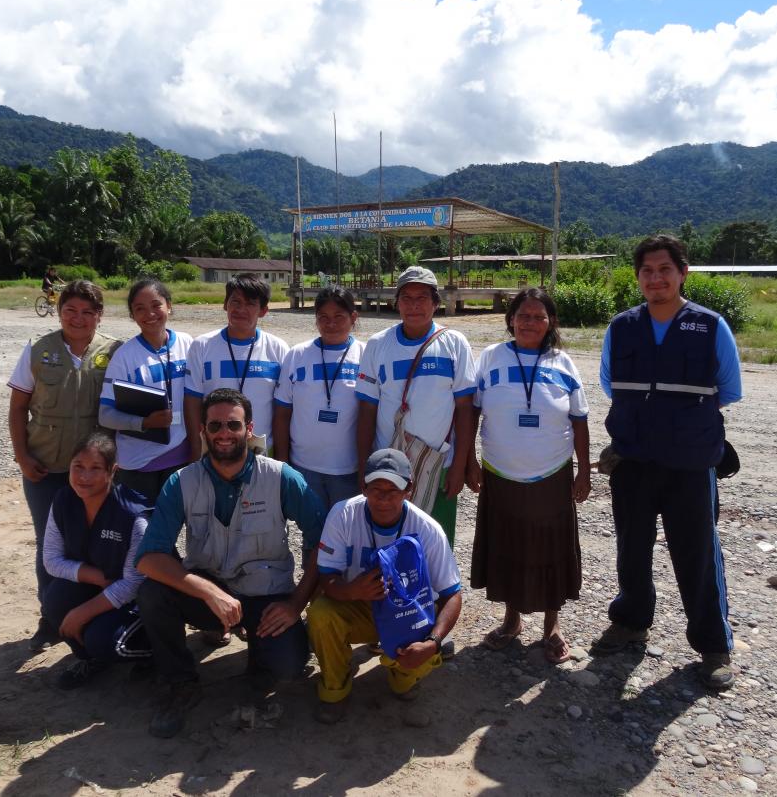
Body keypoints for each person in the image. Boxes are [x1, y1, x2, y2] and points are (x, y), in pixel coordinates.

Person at [591, 235, 743, 691]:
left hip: (690, 464)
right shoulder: (621, 327)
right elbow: (608, 384)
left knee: (696, 554)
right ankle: (632, 622)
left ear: (683, 273)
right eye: (646, 271)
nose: (655, 278)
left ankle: (713, 646)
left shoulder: (711, 325)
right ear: (637, 277)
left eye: (664, 269)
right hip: (633, 460)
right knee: (631, 547)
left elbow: (729, 390)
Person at [135, 388, 326, 738]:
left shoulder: (283, 478)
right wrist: (207, 591)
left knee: (288, 665)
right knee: (152, 593)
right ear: (203, 431)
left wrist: (295, 603)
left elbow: (323, 544)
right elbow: (149, 558)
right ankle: (179, 682)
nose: (224, 433)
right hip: (212, 593)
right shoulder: (182, 482)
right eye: (216, 425)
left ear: (248, 429)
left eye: (233, 425)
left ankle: (261, 665)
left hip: (266, 596)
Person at [469, 288, 591, 664]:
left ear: (550, 322)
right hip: (500, 475)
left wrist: (584, 470)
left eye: (539, 316)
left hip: (551, 475)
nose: (530, 322)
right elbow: (471, 413)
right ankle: (511, 621)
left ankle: (552, 626)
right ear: (510, 320)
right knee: (508, 547)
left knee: (551, 550)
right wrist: (470, 461)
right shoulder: (490, 358)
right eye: (523, 315)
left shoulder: (564, 363)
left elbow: (580, 421)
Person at [307, 448, 463, 724]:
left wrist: (433, 642)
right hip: (359, 607)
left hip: (407, 617)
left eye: (393, 491)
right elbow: (326, 577)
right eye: (376, 489)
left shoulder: (427, 529)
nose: (383, 499)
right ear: (363, 488)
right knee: (320, 614)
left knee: (424, 647)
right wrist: (352, 591)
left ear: (409, 491)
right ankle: (335, 687)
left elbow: (452, 594)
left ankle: (403, 676)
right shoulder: (343, 515)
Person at [7, 280, 120, 653]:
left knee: (95, 544)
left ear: (99, 315)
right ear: (59, 312)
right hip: (46, 468)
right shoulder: (38, 351)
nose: (79, 318)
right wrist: (22, 457)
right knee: (49, 545)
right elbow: (18, 408)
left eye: (88, 311)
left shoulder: (114, 352)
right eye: (71, 310)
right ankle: (50, 618)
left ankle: (95, 614)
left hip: (95, 472)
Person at [356, 265, 477, 546]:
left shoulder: (454, 343)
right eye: (406, 298)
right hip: (387, 466)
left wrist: (460, 466)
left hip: (438, 463)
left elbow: (465, 409)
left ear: (436, 302)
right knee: (387, 541)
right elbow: (366, 411)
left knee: (436, 539)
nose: (414, 305)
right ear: (395, 302)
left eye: (422, 298)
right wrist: (364, 465)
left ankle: (437, 590)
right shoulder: (377, 345)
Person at [41, 431, 151, 689]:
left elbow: (134, 583)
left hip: (138, 598)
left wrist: (82, 613)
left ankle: (156, 651)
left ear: (113, 471)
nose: (84, 477)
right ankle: (90, 659)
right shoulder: (63, 500)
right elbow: (51, 559)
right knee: (54, 602)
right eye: (78, 467)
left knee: (104, 640)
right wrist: (96, 577)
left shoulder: (133, 516)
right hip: (103, 583)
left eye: (95, 468)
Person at [98, 279, 194, 506]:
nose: (149, 313)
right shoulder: (124, 356)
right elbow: (105, 415)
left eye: (156, 305)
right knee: (143, 532)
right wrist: (144, 422)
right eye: (139, 309)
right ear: (132, 315)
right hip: (139, 463)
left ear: (168, 306)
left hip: (181, 458)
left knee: (172, 529)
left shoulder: (188, 343)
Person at [272, 285, 365, 509]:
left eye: (339, 317)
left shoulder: (365, 355)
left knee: (345, 532)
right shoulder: (297, 355)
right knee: (312, 533)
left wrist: (365, 465)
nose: (330, 324)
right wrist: (283, 463)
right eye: (323, 317)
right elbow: (283, 413)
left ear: (353, 317)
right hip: (305, 466)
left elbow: (370, 414)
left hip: (348, 468)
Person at [184, 273, 289, 459]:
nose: (241, 309)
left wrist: (282, 458)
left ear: (263, 310)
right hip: (215, 448)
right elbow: (192, 402)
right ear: (225, 304)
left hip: (261, 452)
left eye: (250, 304)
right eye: (235, 302)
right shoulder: (201, 346)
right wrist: (195, 450)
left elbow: (282, 409)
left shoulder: (278, 348)